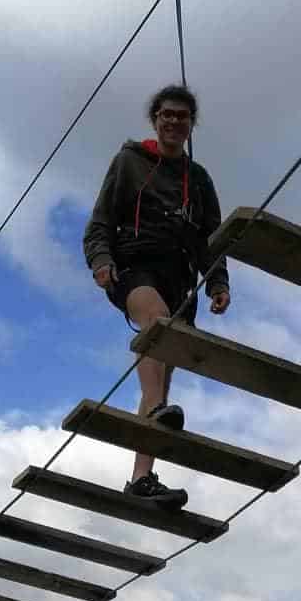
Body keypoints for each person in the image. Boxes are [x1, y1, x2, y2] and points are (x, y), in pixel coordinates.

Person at [83, 84, 231, 507]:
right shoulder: (130, 162)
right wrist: (101, 261)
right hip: (134, 269)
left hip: (179, 280)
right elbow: (99, 223)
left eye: (182, 116)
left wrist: (218, 282)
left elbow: (210, 241)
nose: (173, 121)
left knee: (157, 384)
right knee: (158, 325)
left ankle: (140, 479)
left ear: (190, 126)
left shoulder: (197, 180)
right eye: (166, 114)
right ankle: (156, 425)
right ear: (155, 118)